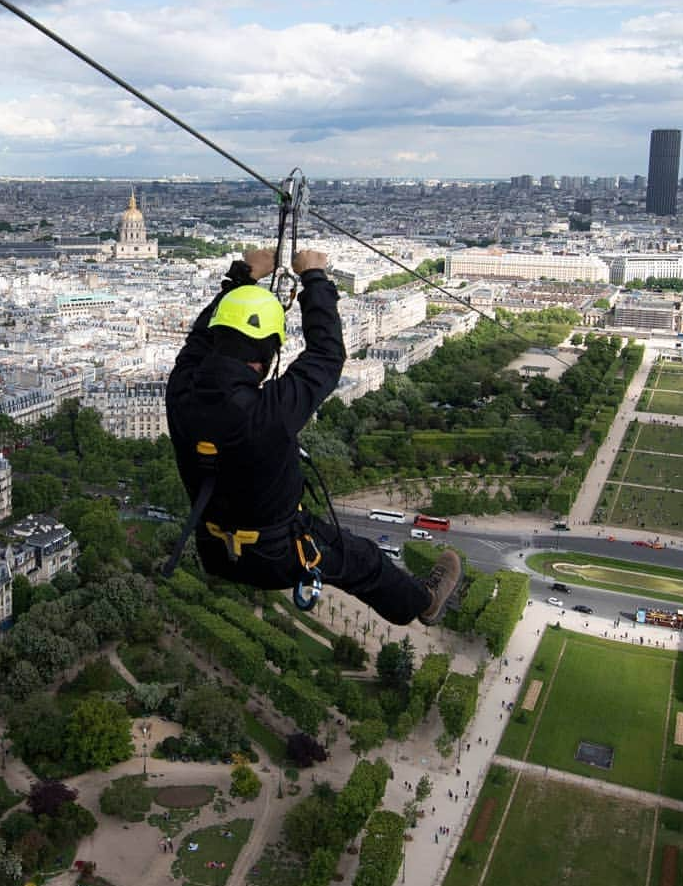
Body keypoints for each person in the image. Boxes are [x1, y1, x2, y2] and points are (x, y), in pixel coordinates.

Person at [165, 247, 462, 625]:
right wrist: (314, 277)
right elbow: (327, 355)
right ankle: (424, 602)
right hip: (276, 555)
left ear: (218, 340)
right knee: (365, 562)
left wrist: (240, 278)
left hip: (213, 547)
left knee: (357, 557)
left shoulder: (181, 394)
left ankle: (421, 601)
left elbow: (199, 342)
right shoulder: (268, 412)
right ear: (270, 353)